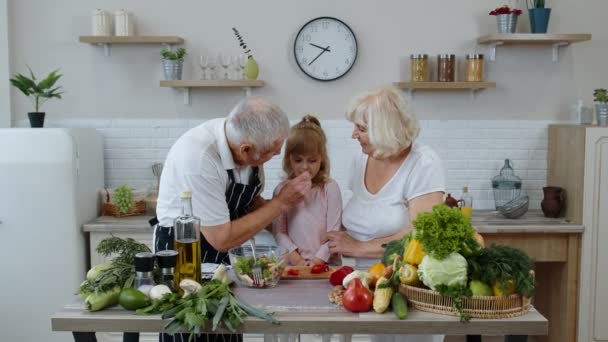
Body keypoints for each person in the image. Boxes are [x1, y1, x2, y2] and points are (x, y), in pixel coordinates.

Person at [153, 96, 312, 342]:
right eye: (270, 153)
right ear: (246, 149)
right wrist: (282, 203)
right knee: (193, 330)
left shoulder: (243, 142)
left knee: (227, 328)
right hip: (186, 250)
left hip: (221, 245)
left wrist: (291, 240)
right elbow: (221, 238)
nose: (275, 155)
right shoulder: (198, 157)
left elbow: (249, 201)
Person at [326, 86, 445, 342]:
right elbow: (362, 216)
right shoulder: (361, 160)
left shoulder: (423, 163)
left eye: (361, 128)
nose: (353, 134)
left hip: (408, 286)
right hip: (367, 284)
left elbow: (420, 236)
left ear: (385, 129)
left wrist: (359, 247)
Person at [272, 115, 343, 267]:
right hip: (293, 264)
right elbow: (279, 232)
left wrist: (318, 260)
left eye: (312, 161)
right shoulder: (281, 190)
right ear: (288, 159)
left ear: (322, 159)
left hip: (326, 265)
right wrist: (296, 259)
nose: (305, 167)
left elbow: (334, 233)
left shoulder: (330, 188)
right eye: (298, 160)